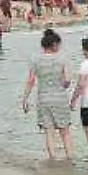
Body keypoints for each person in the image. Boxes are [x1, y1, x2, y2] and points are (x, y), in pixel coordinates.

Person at [22, 28, 74, 161]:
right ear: (54, 44)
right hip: (60, 98)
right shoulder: (63, 58)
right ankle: (70, 158)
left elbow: (30, 81)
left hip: (43, 98)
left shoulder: (35, 59)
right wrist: (63, 84)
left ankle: (53, 158)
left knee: (49, 132)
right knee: (65, 131)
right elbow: (67, 80)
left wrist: (25, 99)